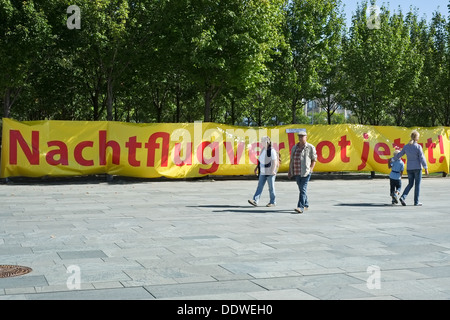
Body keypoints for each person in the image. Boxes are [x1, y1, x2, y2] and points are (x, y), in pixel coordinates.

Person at [393, 130, 428, 206]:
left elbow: (400, 154)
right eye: (418, 137)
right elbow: (422, 158)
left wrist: (393, 159)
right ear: (416, 138)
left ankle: (403, 197)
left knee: (410, 184)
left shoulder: (406, 146)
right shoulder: (418, 147)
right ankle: (416, 202)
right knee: (417, 185)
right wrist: (425, 167)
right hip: (417, 168)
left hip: (409, 168)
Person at [288, 129, 317, 214]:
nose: (300, 138)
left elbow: (314, 159)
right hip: (296, 172)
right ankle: (306, 204)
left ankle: (300, 207)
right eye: (299, 136)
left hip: (306, 172)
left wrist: (311, 168)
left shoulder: (310, 147)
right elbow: (292, 160)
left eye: (302, 136)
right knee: (301, 189)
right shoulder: (294, 147)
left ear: (306, 137)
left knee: (303, 189)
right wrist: (290, 171)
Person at [248, 136, 279, 207]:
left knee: (271, 187)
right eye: (261, 141)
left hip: (270, 172)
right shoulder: (263, 150)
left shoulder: (272, 150)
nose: (262, 143)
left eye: (263, 141)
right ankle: (255, 200)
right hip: (263, 171)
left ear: (267, 142)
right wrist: (256, 168)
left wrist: (273, 170)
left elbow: (274, 161)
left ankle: (273, 202)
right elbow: (260, 160)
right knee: (260, 186)